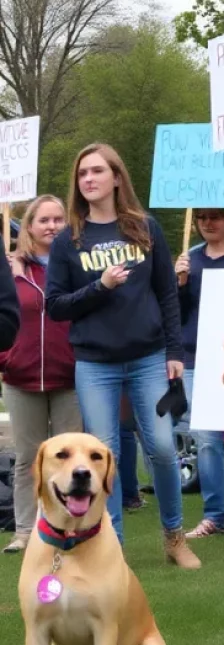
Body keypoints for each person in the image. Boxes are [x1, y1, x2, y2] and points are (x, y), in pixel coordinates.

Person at [45, 143, 198, 569]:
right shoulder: (68, 240)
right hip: (95, 364)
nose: (88, 180)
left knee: (164, 448)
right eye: (81, 174)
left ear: (116, 177)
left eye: (96, 171)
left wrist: (174, 350)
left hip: (149, 357)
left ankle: (174, 537)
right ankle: (110, 549)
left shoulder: (145, 229)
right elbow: (55, 305)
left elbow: (167, 292)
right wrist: (101, 286)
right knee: (101, 456)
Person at [1, 195, 79, 554]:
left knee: (69, 459)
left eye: (58, 220)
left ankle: (67, 528)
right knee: (28, 457)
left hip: (70, 376)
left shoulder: (76, 264)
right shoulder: (11, 267)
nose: (51, 226)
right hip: (22, 376)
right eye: (44, 220)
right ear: (28, 226)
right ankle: (25, 530)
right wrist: (6, 357)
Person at [175, 202, 224, 539]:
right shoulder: (189, 259)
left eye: (214, 216)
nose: (207, 223)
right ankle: (213, 515)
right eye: (201, 218)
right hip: (197, 357)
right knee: (206, 441)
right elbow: (176, 315)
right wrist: (178, 284)